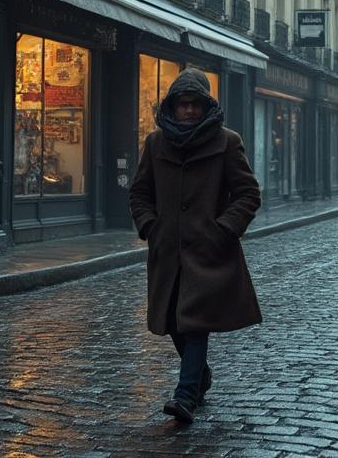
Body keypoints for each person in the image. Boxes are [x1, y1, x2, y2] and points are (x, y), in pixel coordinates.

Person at [129, 69, 262, 424]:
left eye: (194, 104)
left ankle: (185, 394)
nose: (188, 111)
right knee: (174, 320)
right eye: (182, 104)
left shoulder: (227, 142)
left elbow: (248, 193)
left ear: (206, 106)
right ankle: (200, 375)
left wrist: (223, 230)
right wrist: (150, 226)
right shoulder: (155, 143)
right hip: (168, 252)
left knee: (194, 322)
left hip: (208, 251)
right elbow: (141, 192)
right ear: (172, 107)